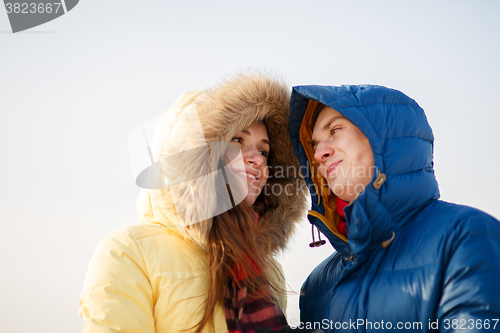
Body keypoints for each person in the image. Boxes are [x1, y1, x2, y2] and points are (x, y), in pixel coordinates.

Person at [78, 73, 308, 333]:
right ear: (199, 156)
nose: (256, 159)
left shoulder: (269, 270)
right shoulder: (130, 251)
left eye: (264, 151)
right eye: (237, 141)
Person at [287, 84, 500, 332]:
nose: (320, 153)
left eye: (335, 130)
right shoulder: (315, 287)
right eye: (314, 146)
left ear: (381, 137)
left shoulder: (466, 238)